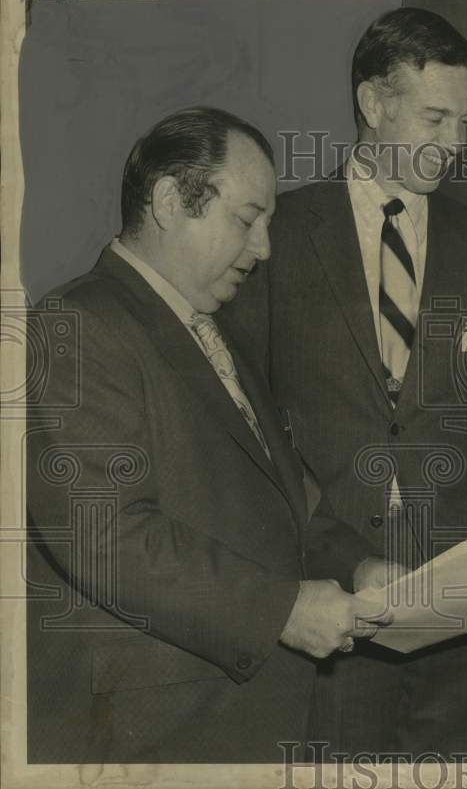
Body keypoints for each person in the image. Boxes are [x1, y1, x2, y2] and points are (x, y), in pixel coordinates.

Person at [26, 106, 387, 764]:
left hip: (241, 718)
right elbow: (105, 534)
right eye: (248, 220)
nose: (265, 248)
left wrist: (361, 566)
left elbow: (287, 500)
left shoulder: (218, 328)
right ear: (170, 201)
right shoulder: (72, 326)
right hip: (153, 733)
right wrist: (278, 609)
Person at [220, 8, 467, 756]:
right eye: (435, 117)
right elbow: (248, 431)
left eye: (466, 119)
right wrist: (340, 557)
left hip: (463, 635)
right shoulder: (276, 237)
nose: (457, 144)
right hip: (331, 623)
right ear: (372, 103)